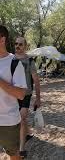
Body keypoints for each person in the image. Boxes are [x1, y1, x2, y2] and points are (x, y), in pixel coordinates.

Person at [0, 25, 27, 160]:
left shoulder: (14, 63)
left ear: (2, 39)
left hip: (7, 122)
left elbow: (21, 94)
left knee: (14, 156)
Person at [14, 37, 41, 158]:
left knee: (22, 119)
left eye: (20, 44)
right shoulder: (10, 59)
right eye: (16, 44)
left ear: (25, 46)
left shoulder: (30, 61)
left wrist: (38, 98)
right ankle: (28, 133)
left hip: (26, 94)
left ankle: (21, 149)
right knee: (18, 118)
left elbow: (36, 80)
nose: (17, 46)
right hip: (13, 94)